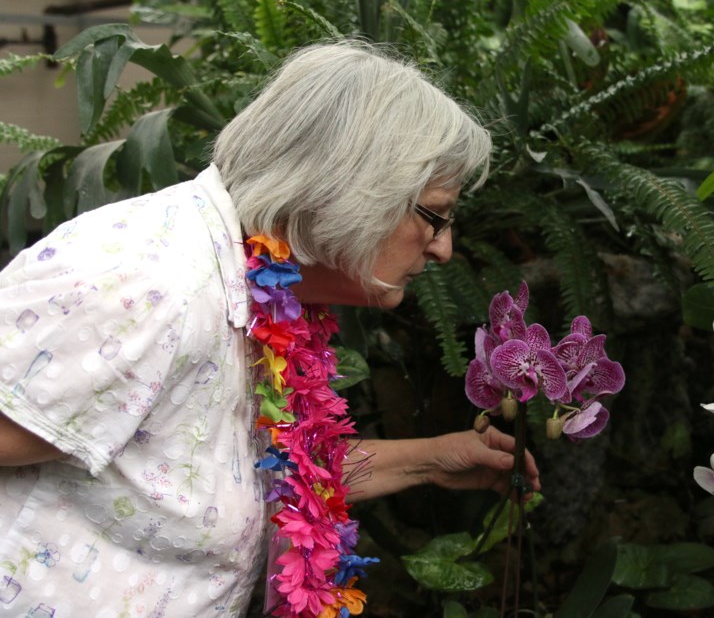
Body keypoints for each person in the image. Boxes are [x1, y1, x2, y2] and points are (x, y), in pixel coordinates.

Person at [0, 41, 540, 617]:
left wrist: (432, 459)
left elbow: (262, 477)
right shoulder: (151, 283)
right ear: (350, 187)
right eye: (435, 215)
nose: (443, 249)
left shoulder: (265, 291)